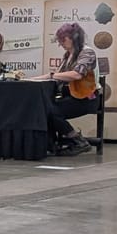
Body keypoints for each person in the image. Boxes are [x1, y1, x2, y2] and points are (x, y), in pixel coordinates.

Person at [36, 22, 99, 155]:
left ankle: (78, 141)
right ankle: (52, 144)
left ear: (74, 38)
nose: (61, 43)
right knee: (45, 109)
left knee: (51, 112)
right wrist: (33, 79)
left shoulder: (87, 52)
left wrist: (51, 75)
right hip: (72, 96)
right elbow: (58, 76)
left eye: (63, 39)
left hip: (87, 98)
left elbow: (77, 74)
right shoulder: (68, 55)